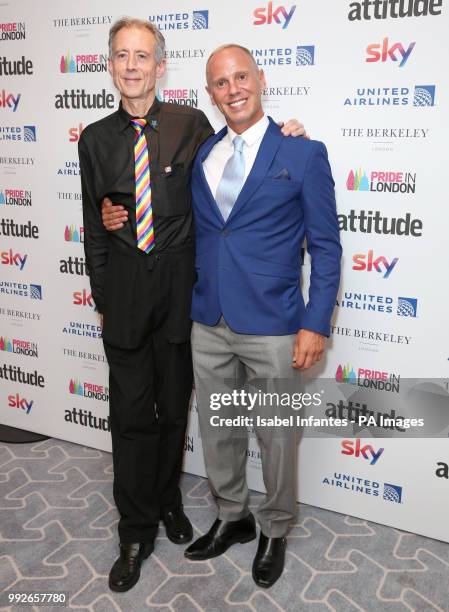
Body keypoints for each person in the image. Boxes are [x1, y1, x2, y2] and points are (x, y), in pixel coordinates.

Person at [80, 18, 306, 593]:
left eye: (143, 57)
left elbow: (239, 162)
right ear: (111, 66)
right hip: (127, 301)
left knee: (175, 413)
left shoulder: (193, 123)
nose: (132, 66)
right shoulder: (96, 139)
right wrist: (104, 297)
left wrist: (290, 138)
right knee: (131, 418)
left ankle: (168, 504)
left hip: (186, 301)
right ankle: (135, 531)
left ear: (161, 67)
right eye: (121, 56)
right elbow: (93, 225)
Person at [181, 44, 342, 588]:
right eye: (221, 83)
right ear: (211, 94)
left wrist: (315, 323)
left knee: (276, 437)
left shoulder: (302, 153)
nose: (233, 90)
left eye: (241, 77)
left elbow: (326, 246)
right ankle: (233, 517)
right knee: (218, 428)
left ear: (260, 78)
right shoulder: (204, 153)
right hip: (208, 320)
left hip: (274, 325)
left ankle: (275, 526)